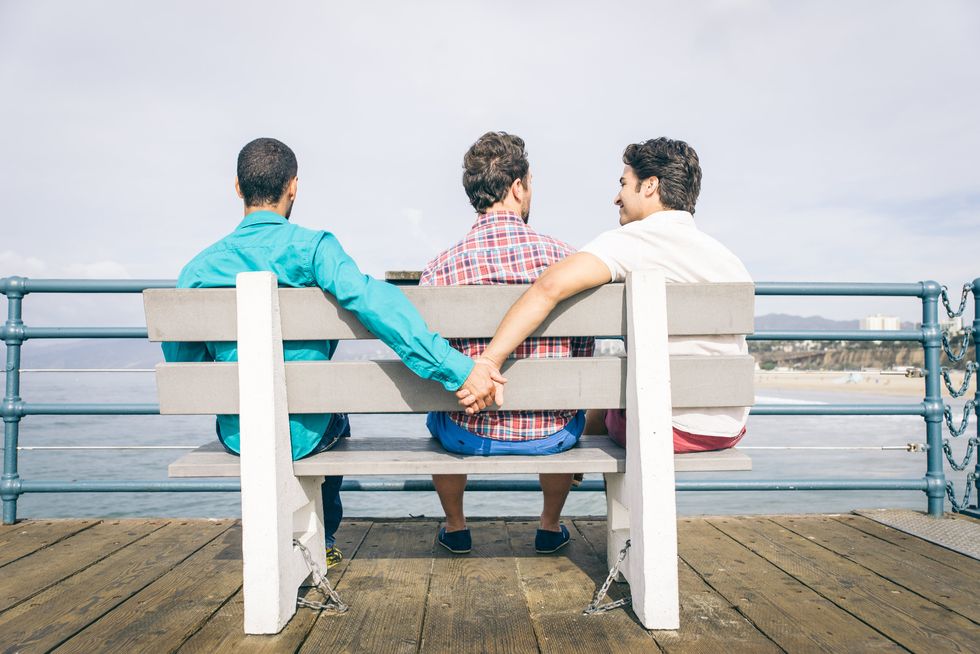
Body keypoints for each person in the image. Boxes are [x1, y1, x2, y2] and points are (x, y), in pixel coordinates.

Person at [164, 137, 503, 567]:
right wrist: (456, 367)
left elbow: (186, 367)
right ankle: (322, 535)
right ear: (293, 188)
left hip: (240, 435)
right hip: (309, 432)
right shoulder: (314, 248)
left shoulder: (198, 269)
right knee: (330, 418)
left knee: (266, 415)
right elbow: (375, 305)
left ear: (237, 188)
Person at [461, 137, 752, 454]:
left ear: (650, 186)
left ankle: (575, 492)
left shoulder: (633, 241)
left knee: (603, 402)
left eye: (624, 184)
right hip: (728, 428)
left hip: (670, 427)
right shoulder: (727, 258)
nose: (617, 198)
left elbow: (548, 286)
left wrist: (489, 360)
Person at [421, 132, 593, 555]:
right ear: (518, 187)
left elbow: (429, 358)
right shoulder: (567, 259)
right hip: (551, 434)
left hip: (465, 430)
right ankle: (549, 527)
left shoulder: (440, 269)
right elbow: (583, 352)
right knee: (567, 400)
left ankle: (456, 526)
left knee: (436, 404)